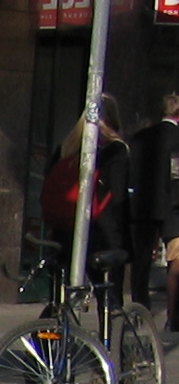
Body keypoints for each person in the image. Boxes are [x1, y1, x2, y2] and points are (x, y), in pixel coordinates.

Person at [42, 96, 131, 292]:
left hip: (64, 226)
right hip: (103, 230)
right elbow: (118, 194)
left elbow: (49, 182)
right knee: (107, 294)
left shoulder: (67, 146)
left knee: (63, 290)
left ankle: (61, 311)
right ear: (113, 117)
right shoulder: (116, 149)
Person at [131, 91, 179, 326]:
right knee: (175, 262)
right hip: (173, 206)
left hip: (144, 205)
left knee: (141, 262)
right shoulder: (177, 138)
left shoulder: (141, 137)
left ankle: (140, 309)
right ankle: (174, 315)